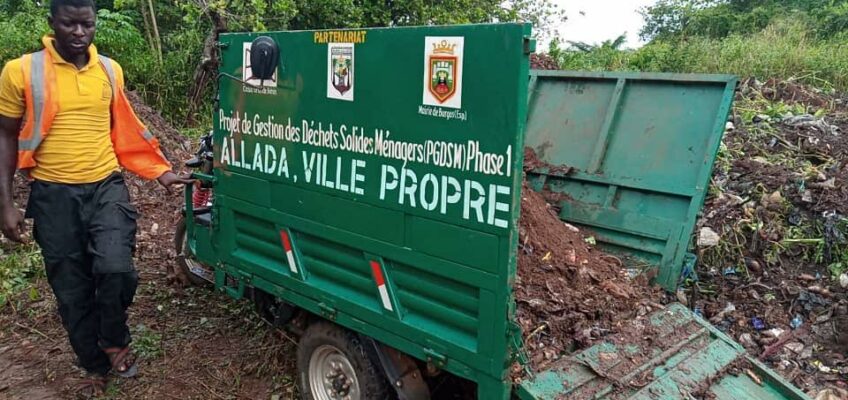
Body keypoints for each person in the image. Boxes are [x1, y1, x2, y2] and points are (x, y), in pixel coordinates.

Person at [0, 0, 192, 395]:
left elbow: (125, 127)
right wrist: (4, 202)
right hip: (53, 195)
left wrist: (160, 171)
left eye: (86, 24)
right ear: (52, 23)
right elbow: (4, 135)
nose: (78, 33)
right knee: (71, 287)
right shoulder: (21, 71)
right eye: (69, 24)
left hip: (106, 186)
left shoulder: (109, 69)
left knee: (117, 268)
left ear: (94, 24)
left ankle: (114, 339)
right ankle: (93, 364)